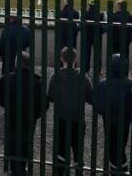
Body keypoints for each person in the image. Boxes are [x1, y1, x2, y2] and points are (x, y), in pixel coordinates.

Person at [93, 54, 132, 174]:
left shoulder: (103, 84)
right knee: (120, 146)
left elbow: (97, 106)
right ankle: (120, 169)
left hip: (109, 120)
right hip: (125, 120)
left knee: (112, 146)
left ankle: (118, 169)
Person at [0, 52, 45, 176]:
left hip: (12, 116)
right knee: (26, 143)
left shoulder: (6, 79)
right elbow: (44, 105)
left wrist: (9, 107)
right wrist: (35, 115)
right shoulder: (38, 82)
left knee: (12, 142)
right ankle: (23, 168)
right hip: (29, 118)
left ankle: (13, 169)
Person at [48, 47, 92, 176]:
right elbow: (91, 97)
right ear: (76, 59)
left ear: (61, 59)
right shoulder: (82, 76)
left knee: (61, 149)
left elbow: (50, 97)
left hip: (61, 118)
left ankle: (60, 171)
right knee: (78, 149)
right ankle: (79, 171)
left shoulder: (56, 76)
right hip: (77, 118)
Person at [0, 10, 30, 76]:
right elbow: (28, 43)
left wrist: (3, 56)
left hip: (8, 61)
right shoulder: (26, 30)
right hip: (20, 59)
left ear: (11, 19)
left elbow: (0, 47)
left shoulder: (6, 30)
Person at [80, 0, 104, 75]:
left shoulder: (85, 14)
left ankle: (85, 69)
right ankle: (98, 70)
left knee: (86, 53)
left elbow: (81, 26)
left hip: (87, 36)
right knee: (97, 54)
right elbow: (103, 28)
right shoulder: (100, 15)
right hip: (97, 36)